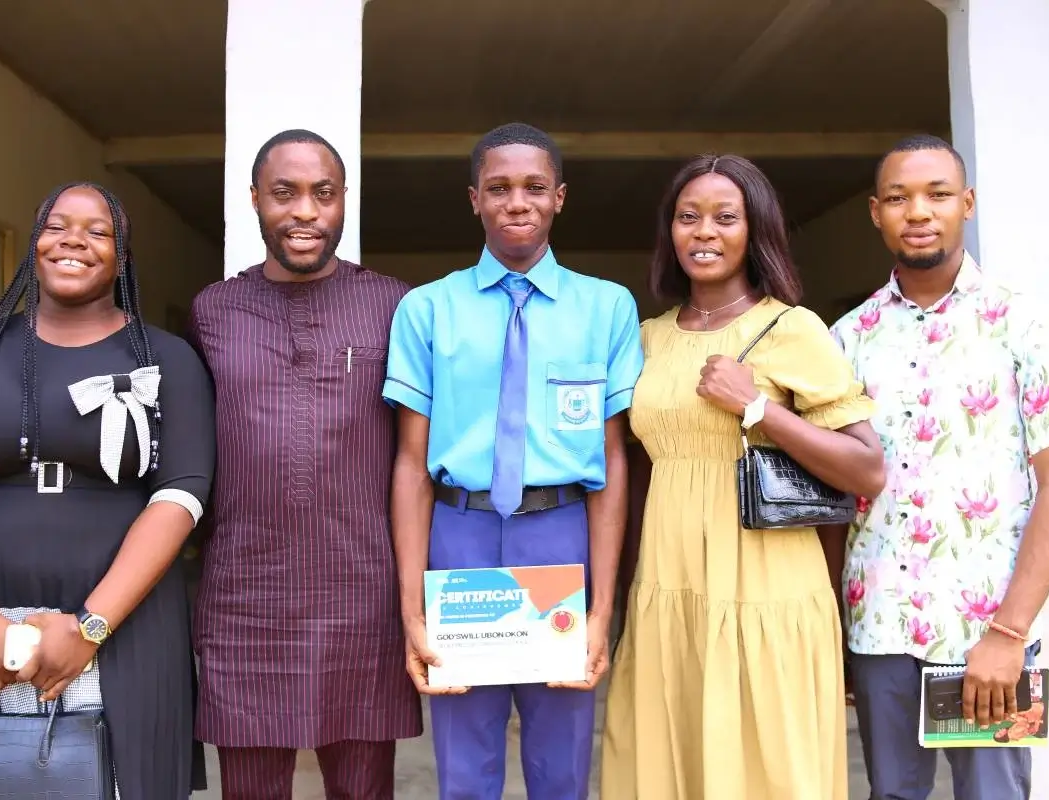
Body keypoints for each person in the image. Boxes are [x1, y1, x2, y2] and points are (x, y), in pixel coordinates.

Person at [0, 182, 215, 798]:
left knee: (129, 782)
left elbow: (182, 493)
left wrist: (89, 628)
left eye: (98, 230)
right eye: (58, 225)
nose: (74, 239)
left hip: (126, 624)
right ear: (35, 244)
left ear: (122, 256)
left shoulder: (168, 358)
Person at [600, 154, 886, 800]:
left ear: (755, 230)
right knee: (668, 761)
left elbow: (868, 467)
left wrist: (759, 410)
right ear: (669, 233)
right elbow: (636, 470)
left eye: (725, 218)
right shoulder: (648, 338)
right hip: (669, 586)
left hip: (765, 589)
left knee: (765, 769)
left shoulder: (791, 327)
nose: (704, 232)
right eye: (688, 217)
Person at [829, 134, 1049, 800]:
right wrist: (835, 630)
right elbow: (836, 494)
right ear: (875, 212)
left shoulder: (1026, 323)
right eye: (898, 198)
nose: (918, 211)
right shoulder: (847, 337)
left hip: (987, 636)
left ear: (967, 204)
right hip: (880, 631)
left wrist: (1009, 635)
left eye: (937, 194)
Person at [384, 122, 643, 798]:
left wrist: (601, 613)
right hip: (459, 536)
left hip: (561, 536)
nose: (517, 202)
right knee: (465, 767)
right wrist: (412, 610)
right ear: (474, 199)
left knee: (562, 765)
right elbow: (411, 465)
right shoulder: (426, 309)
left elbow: (612, 461)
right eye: (498, 188)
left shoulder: (606, 308)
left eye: (533, 187)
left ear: (560, 196)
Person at [189, 129, 421, 800]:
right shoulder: (214, 310)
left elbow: (421, 452)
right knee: (251, 790)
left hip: (362, 593)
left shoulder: (394, 305)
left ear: (344, 199)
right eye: (284, 193)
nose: (305, 213)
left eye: (323, 194)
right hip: (245, 595)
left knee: (362, 790)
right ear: (255, 199)